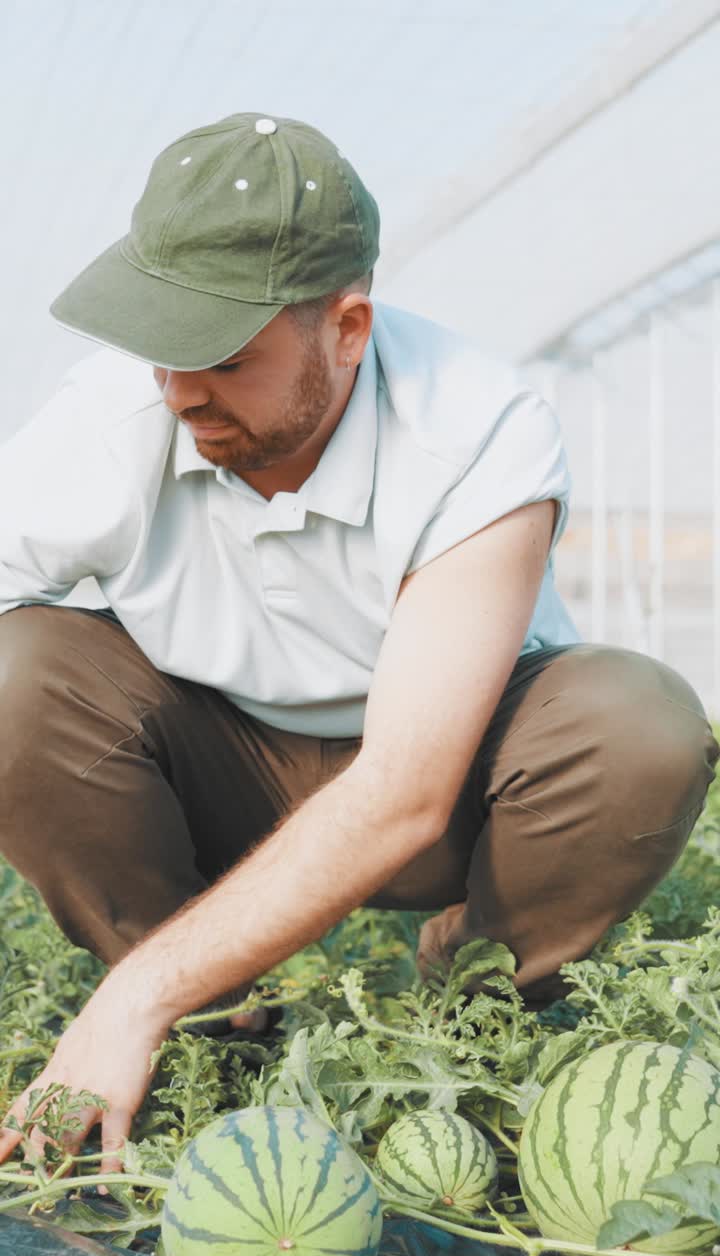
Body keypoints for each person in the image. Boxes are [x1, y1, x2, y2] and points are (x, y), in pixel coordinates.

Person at [0, 112, 717, 1184]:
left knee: (638, 724)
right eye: (160, 346)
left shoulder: (476, 430)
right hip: (217, 775)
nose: (181, 390)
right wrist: (148, 983)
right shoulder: (106, 426)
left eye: (224, 357)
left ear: (347, 327)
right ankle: (207, 1014)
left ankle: (461, 1016)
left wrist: (124, 997)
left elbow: (404, 793)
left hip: (446, 792)